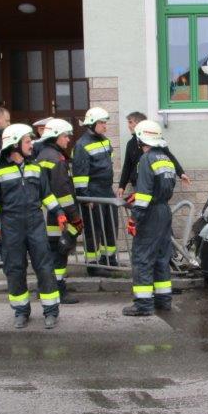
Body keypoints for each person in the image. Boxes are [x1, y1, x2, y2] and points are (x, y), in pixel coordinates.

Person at [0, 123, 65, 329]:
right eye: (27, 141)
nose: (31, 145)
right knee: (15, 269)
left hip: (35, 224)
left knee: (45, 267)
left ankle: (51, 311)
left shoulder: (36, 168)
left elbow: (47, 194)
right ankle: (21, 311)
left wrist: (60, 213)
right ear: (15, 145)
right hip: (12, 227)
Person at [122, 120, 177, 317]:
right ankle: (164, 301)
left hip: (151, 214)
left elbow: (144, 195)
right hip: (163, 210)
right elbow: (163, 187)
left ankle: (143, 305)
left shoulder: (146, 159)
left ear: (140, 139)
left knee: (143, 258)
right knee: (162, 257)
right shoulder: (166, 158)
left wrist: (135, 218)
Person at [36, 118, 85, 305]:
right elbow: (63, 191)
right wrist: (75, 217)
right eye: (65, 136)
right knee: (59, 252)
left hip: (47, 213)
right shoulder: (56, 159)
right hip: (58, 216)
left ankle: (45, 287)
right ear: (56, 137)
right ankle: (57, 289)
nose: (68, 140)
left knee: (50, 252)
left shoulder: (43, 155)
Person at [72, 106, 119, 276]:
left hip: (106, 191)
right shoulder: (81, 145)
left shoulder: (104, 141)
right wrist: (86, 198)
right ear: (92, 124)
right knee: (94, 230)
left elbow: (109, 165)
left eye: (105, 123)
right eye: (102, 123)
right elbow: (79, 176)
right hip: (92, 194)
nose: (105, 126)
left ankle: (109, 259)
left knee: (110, 226)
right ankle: (93, 264)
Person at [116, 111, 190, 199]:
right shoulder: (131, 144)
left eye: (130, 122)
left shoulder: (156, 140)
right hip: (138, 184)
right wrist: (122, 186)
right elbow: (127, 166)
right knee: (142, 207)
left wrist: (181, 173)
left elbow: (169, 157)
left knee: (154, 206)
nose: (128, 126)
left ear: (139, 124)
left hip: (154, 182)